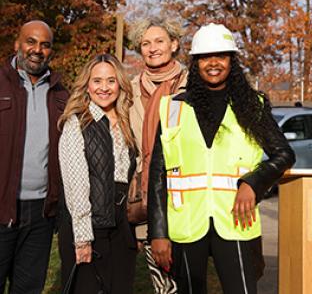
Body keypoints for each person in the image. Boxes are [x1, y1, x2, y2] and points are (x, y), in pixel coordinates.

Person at [148, 23, 296, 294]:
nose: (213, 63)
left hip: (236, 222)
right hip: (187, 223)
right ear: (196, 62)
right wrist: (158, 232)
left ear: (232, 61)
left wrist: (253, 182)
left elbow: (284, 154)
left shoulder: (251, 106)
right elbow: (158, 173)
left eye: (221, 55)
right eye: (205, 56)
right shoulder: (173, 107)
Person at [58, 54, 137, 294]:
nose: (104, 88)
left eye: (111, 81)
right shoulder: (77, 123)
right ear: (87, 85)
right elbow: (76, 185)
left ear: (120, 84)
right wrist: (82, 239)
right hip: (91, 226)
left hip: (121, 226)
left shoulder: (126, 121)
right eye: (97, 81)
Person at [0, 20, 68, 294]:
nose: (37, 49)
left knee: (28, 288)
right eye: (31, 41)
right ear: (17, 44)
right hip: (2, 207)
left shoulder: (62, 93)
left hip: (41, 212)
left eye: (45, 44)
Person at [128, 17, 187, 292]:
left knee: (190, 279)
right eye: (145, 43)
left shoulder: (193, 84)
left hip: (189, 198)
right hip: (150, 197)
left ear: (174, 44)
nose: (152, 48)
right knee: (163, 284)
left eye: (159, 41)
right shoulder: (128, 90)